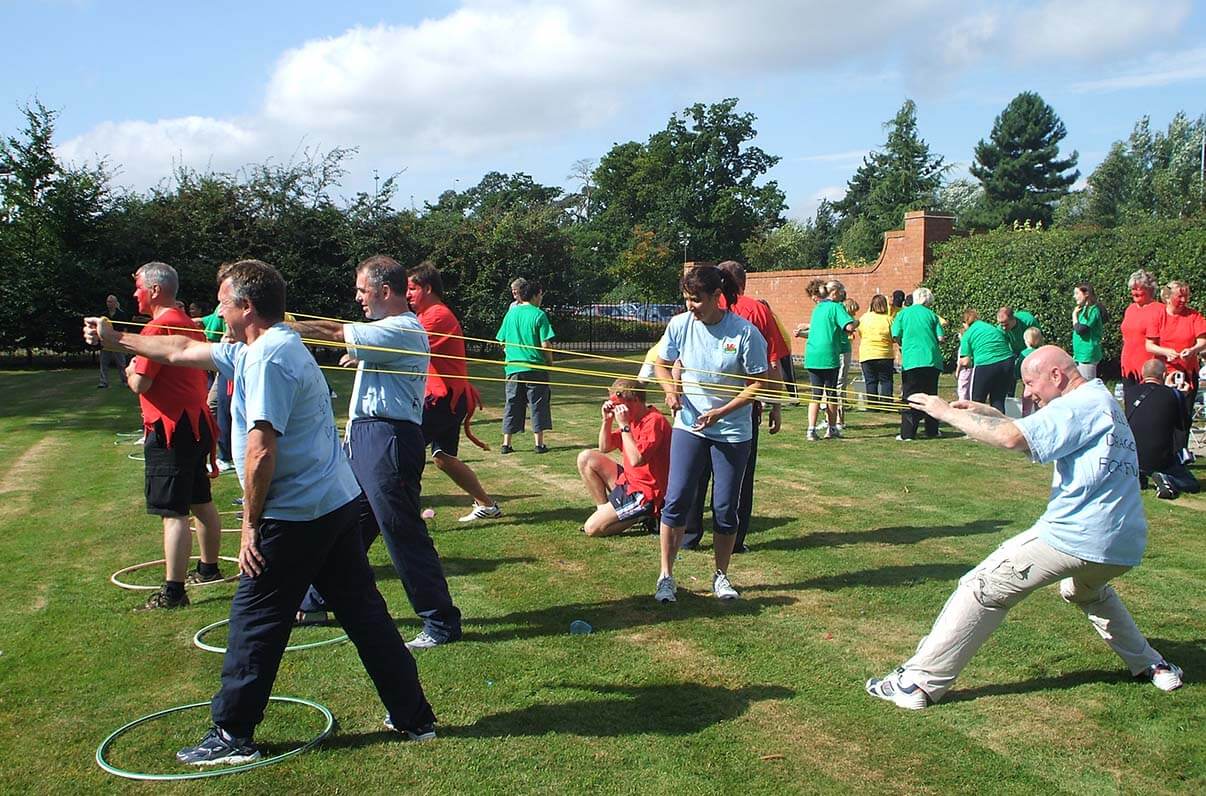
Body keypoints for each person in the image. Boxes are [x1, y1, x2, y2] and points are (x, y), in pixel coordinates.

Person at [85, 259, 437, 763]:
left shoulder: (269, 357)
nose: (215, 312)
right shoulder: (259, 346)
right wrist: (122, 340)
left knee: (255, 619)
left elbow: (261, 451)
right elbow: (183, 349)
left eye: (223, 303)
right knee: (366, 616)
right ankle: (414, 716)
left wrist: (250, 527)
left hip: (298, 513)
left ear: (246, 307)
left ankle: (232, 735)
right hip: (332, 503)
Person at [867, 346, 1183, 710]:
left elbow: (1011, 439)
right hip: (1122, 546)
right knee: (1085, 591)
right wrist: (993, 415)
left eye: (1031, 383)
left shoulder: (1078, 405)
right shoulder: (1100, 398)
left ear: (1056, 376)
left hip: (1077, 536)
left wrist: (942, 413)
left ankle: (917, 683)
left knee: (981, 587)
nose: (1028, 393)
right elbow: (1031, 433)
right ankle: (1152, 664)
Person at [289, 255, 462, 649]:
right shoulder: (385, 332)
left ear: (385, 291)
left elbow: (334, 331)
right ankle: (314, 601)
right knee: (348, 526)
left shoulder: (400, 327)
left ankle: (441, 622)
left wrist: (281, 326)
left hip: (388, 439)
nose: (357, 297)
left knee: (402, 532)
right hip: (369, 436)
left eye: (362, 290)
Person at [653, 266, 767, 603]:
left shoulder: (744, 334)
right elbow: (662, 363)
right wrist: (670, 391)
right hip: (690, 425)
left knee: (725, 506)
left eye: (696, 300)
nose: (690, 306)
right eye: (687, 299)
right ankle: (666, 577)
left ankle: (721, 576)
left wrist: (722, 411)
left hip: (732, 430)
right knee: (676, 500)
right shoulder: (680, 325)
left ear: (717, 297)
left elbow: (761, 383)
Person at [123, 263, 224, 609]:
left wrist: (128, 371)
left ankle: (174, 591)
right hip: (195, 424)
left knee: (173, 511)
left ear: (153, 290)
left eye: (137, 287)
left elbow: (141, 382)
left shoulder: (156, 329)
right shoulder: (186, 324)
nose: (134, 293)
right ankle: (208, 569)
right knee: (200, 500)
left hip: (171, 427)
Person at [681, 260, 785, 553]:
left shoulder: (696, 306)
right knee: (738, 478)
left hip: (700, 406)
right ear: (743, 284)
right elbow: (773, 362)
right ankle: (734, 541)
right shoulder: (757, 310)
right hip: (738, 410)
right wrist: (775, 404)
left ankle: (690, 535)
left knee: (695, 473)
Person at [405, 262, 502, 523]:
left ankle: (403, 513)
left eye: (412, 289)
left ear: (427, 288)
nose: (407, 295)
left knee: (405, 452)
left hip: (444, 399)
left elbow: (406, 349)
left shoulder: (436, 316)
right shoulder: (427, 315)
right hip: (450, 398)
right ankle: (487, 504)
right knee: (443, 458)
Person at [576, 378, 672, 537]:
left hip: (647, 491)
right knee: (586, 458)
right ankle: (606, 511)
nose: (617, 410)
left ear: (635, 401)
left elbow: (637, 460)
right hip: (629, 481)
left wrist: (623, 426)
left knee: (591, 529)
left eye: (618, 405)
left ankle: (643, 515)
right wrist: (606, 421)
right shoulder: (632, 419)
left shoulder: (655, 421)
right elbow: (604, 448)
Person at [496, 278, 556, 454]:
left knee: (512, 403)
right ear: (536, 295)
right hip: (536, 368)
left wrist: (511, 355)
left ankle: (506, 443)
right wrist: (550, 362)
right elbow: (545, 344)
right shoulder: (539, 314)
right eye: (541, 295)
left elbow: (502, 340)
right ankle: (539, 444)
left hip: (513, 368)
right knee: (538, 404)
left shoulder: (511, 314)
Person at [1127, 359, 1201, 499]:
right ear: (1164, 374)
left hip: (1134, 456)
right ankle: (1168, 479)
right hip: (1161, 458)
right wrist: (1182, 397)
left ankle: (1141, 477)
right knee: (1191, 484)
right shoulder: (1174, 394)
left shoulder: (1130, 393)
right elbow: (1183, 425)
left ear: (1143, 374)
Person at [795, 279, 858, 440]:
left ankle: (811, 430)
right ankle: (831, 428)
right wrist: (857, 321)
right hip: (829, 356)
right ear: (834, 292)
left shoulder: (817, 309)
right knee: (831, 394)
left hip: (812, 356)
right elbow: (849, 327)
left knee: (815, 394)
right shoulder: (836, 307)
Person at [1151, 280, 1206, 457]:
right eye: (1179, 296)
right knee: (1163, 415)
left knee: (1184, 416)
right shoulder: (1158, 317)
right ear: (1167, 297)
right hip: (1164, 373)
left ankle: (1180, 454)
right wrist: (1166, 352)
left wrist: (1193, 350)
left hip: (1187, 373)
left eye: (1186, 296)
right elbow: (1150, 345)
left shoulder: (1194, 316)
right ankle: (1162, 453)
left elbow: (1202, 341)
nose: (1183, 300)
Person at [890, 288, 944, 440]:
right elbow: (940, 338)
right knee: (931, 395)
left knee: (911, 396)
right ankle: (932, 430)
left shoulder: (903, 314)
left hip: (912, 360)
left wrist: (903, 345)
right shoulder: (932, 315)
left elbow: (895, 335)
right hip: (932, 359)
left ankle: (907, 433)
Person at [959, 309, 1014, 414]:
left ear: (965, 323)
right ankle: (1001, 429)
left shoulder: (968, 334)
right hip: (1007, 361)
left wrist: (967, 363)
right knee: (998, 400)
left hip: (985, 364)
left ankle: (977, 429)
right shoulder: (991, 328)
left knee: (977, 402)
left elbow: (965, 361)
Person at [859, 294, 895, 405]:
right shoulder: (889, 319)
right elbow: (893, 336)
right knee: (886, 380)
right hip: (885, 354)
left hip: (867, 353)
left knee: (870, 381)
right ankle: (886, 404)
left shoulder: (864, 318)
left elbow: (860, 332)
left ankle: (872, 404)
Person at [997, 306, 1039, 396]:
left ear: (1013, 319)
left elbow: (1037, 338)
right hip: (1013, 351)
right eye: (1001, 324)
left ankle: (1031, 397)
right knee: (1010, 375)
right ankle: (1009, 397)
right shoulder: (1000, 329)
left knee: (1030, 376)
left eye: (1006, 324)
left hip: (1030, 351)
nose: (1003, 328)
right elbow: (1002, 346)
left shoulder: (1028, 321)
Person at [1071, 283, 1104, 381]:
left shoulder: (1093, 310)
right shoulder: (1083, 309)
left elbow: (1081, 329)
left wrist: (1074, 316)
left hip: (1087, 355)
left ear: (1086, 294)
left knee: (1087, 385)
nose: (1074, 296)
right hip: (1080, 354)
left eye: (1077, 293)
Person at [97, 294, 129, 388]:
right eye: (108, 301)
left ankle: (125, 381)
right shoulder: (103, 315)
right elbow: (100, 328)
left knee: (121, 363)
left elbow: (125, 328)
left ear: (115, 303)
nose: (109, 303)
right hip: (106, 342)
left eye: (111, 302)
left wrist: (123, 340)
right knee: (104, 363)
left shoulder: (121, 314)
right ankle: (103, 382)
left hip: (117, 342)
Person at [1018, 326, 1044, 416]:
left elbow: (1019, 367)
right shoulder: (1042, 352)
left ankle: (1026, 420)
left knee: (1026, 407)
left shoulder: (1023, 354)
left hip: (1028, 385)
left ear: (1026, 340)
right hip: (1040, 384)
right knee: (1040, 406)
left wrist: (1016, 375)